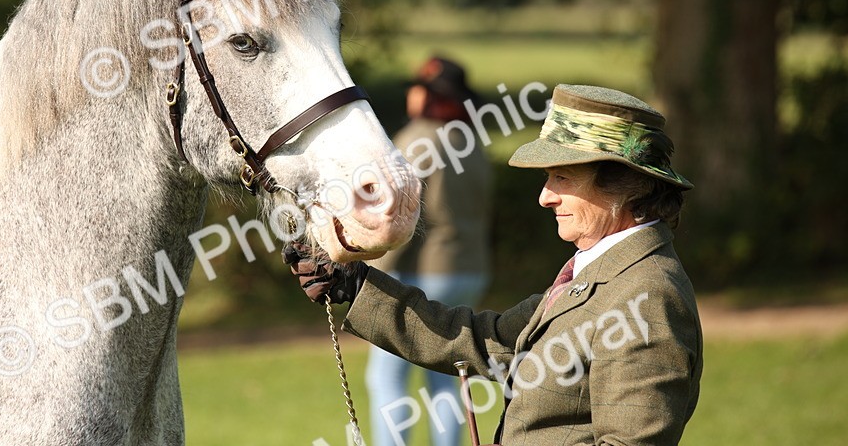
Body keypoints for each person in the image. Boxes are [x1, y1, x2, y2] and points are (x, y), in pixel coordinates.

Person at [286, 84, 703, 446]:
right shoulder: (604, 269)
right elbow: (492, 343)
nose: (545, 197)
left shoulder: (647, 297)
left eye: (562, 178)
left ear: (622, 186)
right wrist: (358, 287)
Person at [365, 57, 493, 446]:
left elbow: (392, 213)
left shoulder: (417, 138)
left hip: (424, 273)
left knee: (387, 376)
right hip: (470, 270)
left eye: (417, 87)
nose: (411, 93)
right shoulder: (471, 141)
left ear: (431, 97)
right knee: (444, 378)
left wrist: (370, 284)